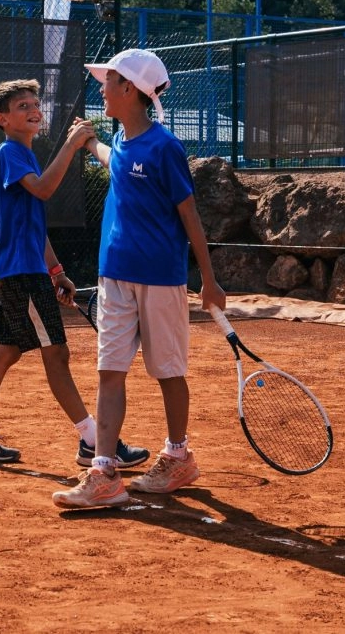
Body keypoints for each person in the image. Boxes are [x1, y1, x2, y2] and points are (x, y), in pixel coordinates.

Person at [52, 49, 226, 508]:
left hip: (161, 279)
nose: (100, 89)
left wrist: (208, 280)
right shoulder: (125, 145)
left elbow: (189, 216)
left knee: (168, 371)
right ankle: (104, 473)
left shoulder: (165, 147)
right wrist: (88, 145)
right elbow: (117, 160)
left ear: (129, 89)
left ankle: (178, 456)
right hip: (114, 276)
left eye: (107, 81)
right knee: (109, 370)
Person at [0, 78, 149, 470]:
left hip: (18, 269)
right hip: (20, 272)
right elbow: (41, 191)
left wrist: (55, 270)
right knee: (56, 354)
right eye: (22, 106)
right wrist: (73, 146)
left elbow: (32, 225)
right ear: (3, 119)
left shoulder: (23, 155)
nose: (33, 109)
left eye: (35, 103)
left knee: (6, 351)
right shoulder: (11, 153)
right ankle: (93, 442)